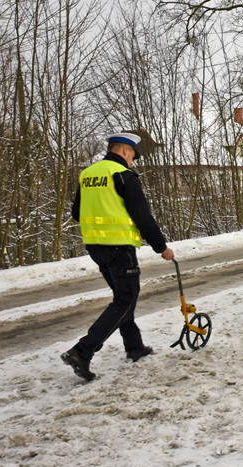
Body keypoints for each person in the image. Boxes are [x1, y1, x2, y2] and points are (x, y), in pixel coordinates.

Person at [61, 132, 174, 381]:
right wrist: (161, 247)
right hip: (119, 247)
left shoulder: (88, 174)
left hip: (95, 246)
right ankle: (82, 351)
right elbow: (143, 216)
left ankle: (134, 347)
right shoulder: (123, 174)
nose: (133, 160)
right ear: (124, 150)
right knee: (126, 299)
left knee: (123, 298)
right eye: (133, 155)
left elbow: (77, 212)